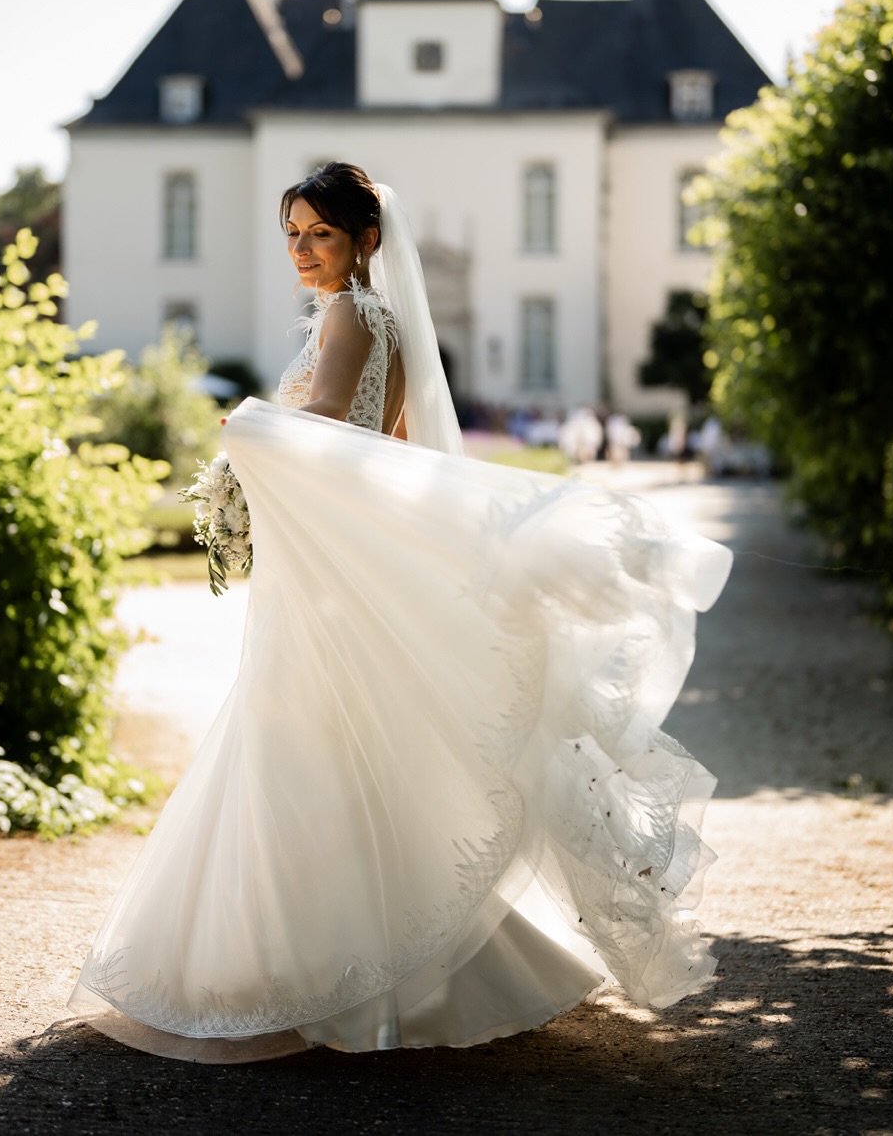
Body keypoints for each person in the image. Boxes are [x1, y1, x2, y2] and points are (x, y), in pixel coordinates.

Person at [68, 163, 732, 1062]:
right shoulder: (387, 322)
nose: (303, 250)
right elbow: (404, 450)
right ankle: (390, 964)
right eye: (293, 234)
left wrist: (249, 432)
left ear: (365, 241)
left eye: (321, 234)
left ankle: (311, 968)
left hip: (323, 572)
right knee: (350, 744)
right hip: (332, 560)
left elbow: (326, 422)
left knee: (306, 740)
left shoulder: (348, 314)